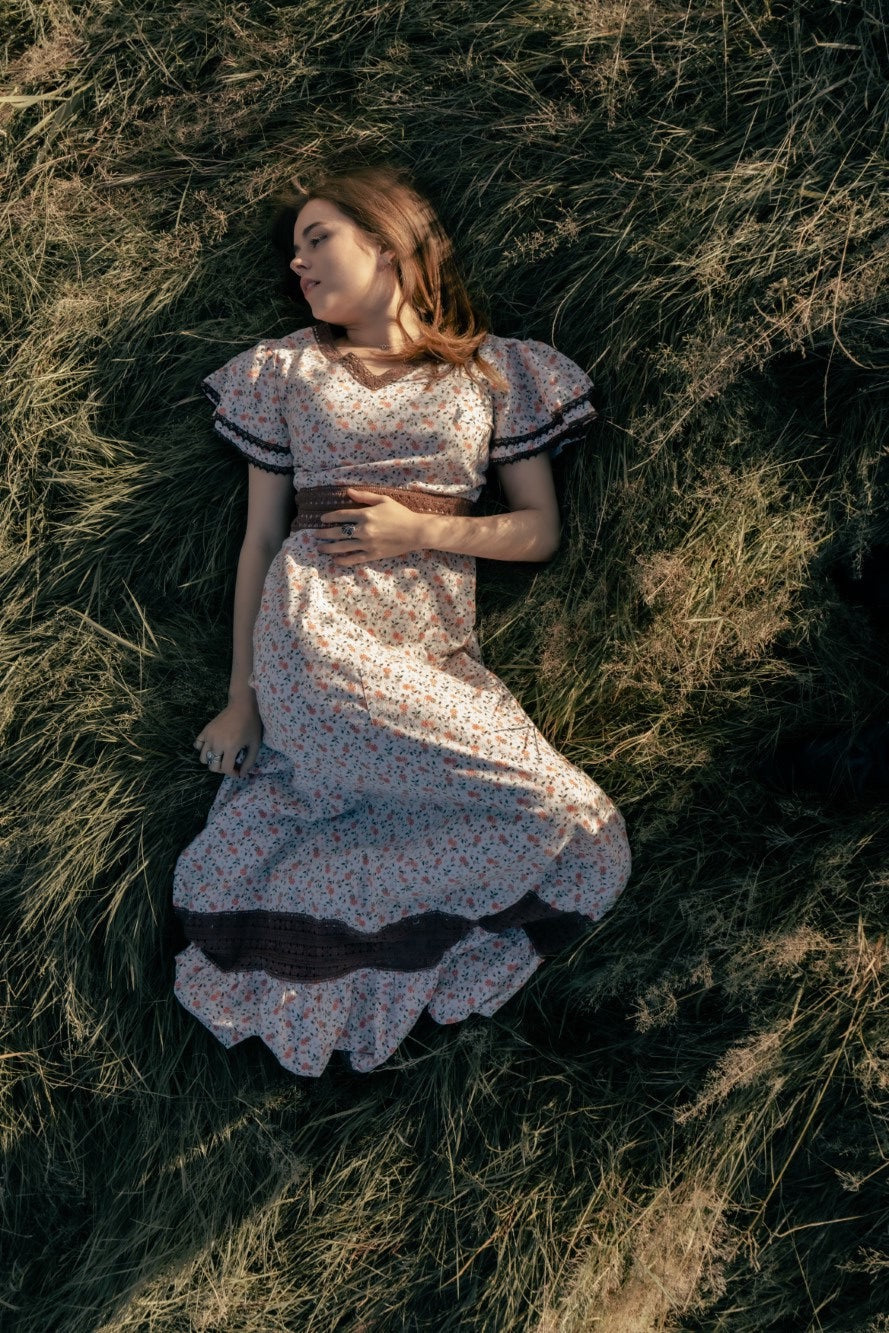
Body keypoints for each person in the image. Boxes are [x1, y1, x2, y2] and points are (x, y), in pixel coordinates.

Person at [171, 163, 631, 1076]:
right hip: (318, 633)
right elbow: (260, 540)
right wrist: (242, 699)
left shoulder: (496, 371)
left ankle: (325, 904)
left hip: (431, 646)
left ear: (386, 245)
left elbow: (536, 531)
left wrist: (420, 528)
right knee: (554, 809)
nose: (298, 263)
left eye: (317, 239)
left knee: (579, 831)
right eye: (293, 250)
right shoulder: (289, 368)